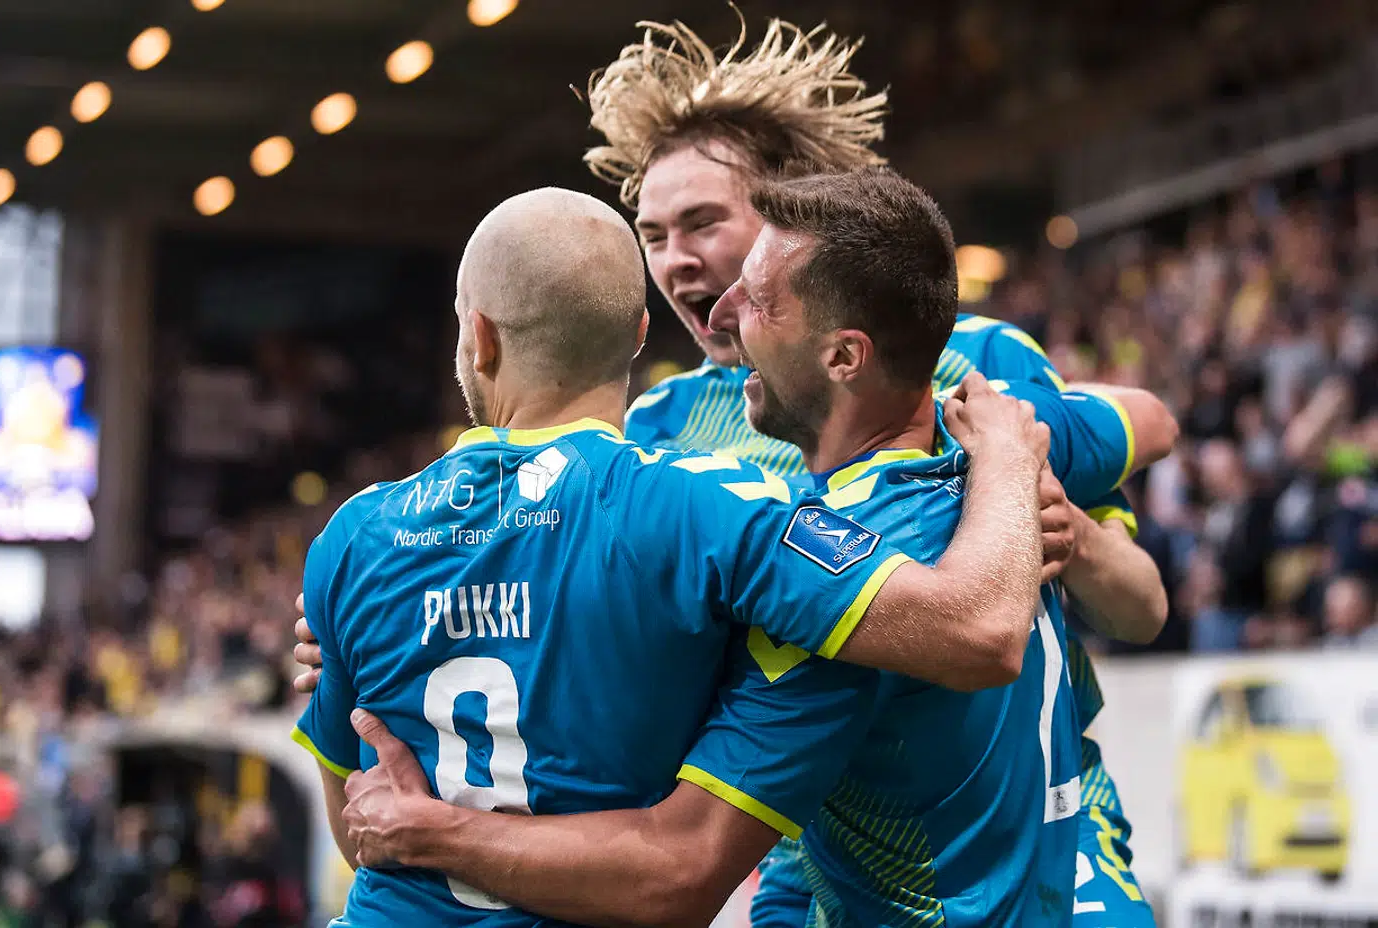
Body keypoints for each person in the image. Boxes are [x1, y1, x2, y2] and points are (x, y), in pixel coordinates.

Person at [295, 16, 1167, 925]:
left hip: (1044, 836)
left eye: (704, 223)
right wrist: (359, 634)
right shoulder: (655, 432)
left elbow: (1139, 594)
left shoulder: (960, 368)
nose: (675, 260)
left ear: (790, 220)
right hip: (809, 837)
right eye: (652, 234)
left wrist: (1054, 531)